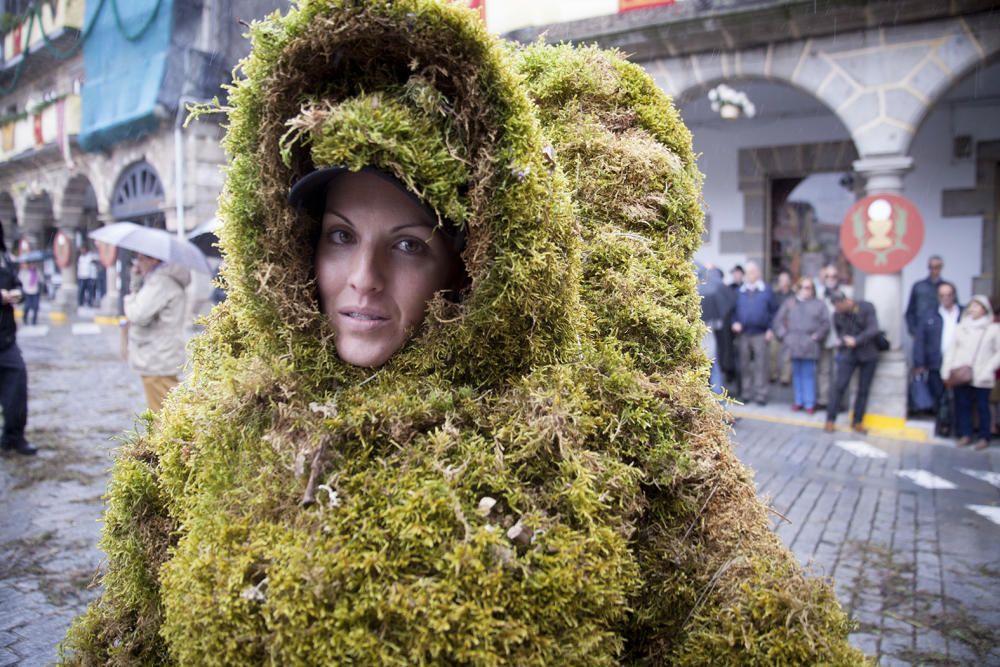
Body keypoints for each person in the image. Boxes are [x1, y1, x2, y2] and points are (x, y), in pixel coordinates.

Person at [63, 3, 863, 663]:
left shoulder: (583, 433)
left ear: (466, 264)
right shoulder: (223, 412)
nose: (362, 280)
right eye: (340, 235)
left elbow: (736, 603)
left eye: (408, 245)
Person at [123, 253, 190, 412]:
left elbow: (138, 314)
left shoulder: (160, 282)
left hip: (157, 356)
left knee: (163, 414)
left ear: (153, 260)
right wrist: (137, 281)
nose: (137, 264)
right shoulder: (160, 280)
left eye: (140, 259)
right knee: (167, 410)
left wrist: (129, 299)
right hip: (161, 353)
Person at [940, 295, 1000, 450]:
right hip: (962, 372)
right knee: (963, 404)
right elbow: (952, 350)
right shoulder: (961, 327)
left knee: (982, 406)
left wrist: (989, 368)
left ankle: (984, 436)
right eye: (971, 306)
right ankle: (965, 434)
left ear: (984, 309)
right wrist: (947, 369)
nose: (973, 309)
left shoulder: (993, 329)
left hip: (982, 374)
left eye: (977, 306)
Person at [0, 225, 35, 455]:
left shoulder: (4, 258)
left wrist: (17, 294)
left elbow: (17, 285)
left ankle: (13, 436)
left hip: (5, 338)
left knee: (17, 385)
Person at [824, 291, 880, 433]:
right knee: (839, 385)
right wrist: (843, 340)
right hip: (849, 353)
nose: (838, 310)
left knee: (863, 389)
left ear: (847, 301)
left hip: (868, 352)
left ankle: (857, 421)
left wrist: (857, 340)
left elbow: (873, 329)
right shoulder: (837, 315)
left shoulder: (866, 307)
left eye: (839, 306)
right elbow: (840, 332)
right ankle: (830, 419)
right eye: (836, 307)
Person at [773, 277, 829, 414]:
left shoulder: (819, 304)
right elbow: (778, 320)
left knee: (808, 374)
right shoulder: (790, 303)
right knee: (796, 374)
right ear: (798, 288)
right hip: (793, 343)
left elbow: (825, 323)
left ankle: (809, 403)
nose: (805, 291)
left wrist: (817, 336)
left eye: (808, 288)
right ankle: (799, 401)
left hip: (809, 344)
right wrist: (784, 336)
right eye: (803, 287)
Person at [912, 281, 961, 412]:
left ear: (954, 295)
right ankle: (940, 426)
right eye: (942, 295)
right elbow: (920, 340)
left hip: (959, 363)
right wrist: (919, 363)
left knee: (960, 400)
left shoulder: (963, 314)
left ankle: (958, 429)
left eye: (948, 294)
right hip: (936, 363)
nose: (945, 298)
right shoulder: (929, 315)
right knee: (937, 397)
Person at [731, 261, 776, 405]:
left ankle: (761, 394)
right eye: (748, 272)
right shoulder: (741, 291)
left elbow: (774, 312)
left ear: (758, 273)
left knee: (761, 365)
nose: (749, 275)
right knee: (744, 365)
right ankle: (746, 393)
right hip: (743, 333)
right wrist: (735, 322)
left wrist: (771, 329)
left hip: (761, 333)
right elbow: (733, 311)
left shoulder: (766, 290)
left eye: (752, 272)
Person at [815, 263, 853, 409]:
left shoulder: (846, 293)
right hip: (824, 338)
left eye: (834, 276)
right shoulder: (818, 293)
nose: (831, 279)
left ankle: (838, 401)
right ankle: (823, 400)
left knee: (839, 371)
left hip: (840, 338)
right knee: (823, 370)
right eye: (827, 276)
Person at [905, 255, 945, 337]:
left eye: (937, 267)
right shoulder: (919, 286)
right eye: (931, 267)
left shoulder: (947, 287)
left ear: (941, 268)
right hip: (920, 330)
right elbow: (910, 311)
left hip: (940, 332)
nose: (934, 270)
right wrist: (913, 330)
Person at [768, 269, 794, 385]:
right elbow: (770, 311)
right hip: (775, 327)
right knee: (773, 353)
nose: (783, 282)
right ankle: (773, 375)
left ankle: (785, 378)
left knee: (787, 356)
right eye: (781, 280)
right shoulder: (774, 295)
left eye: (785, 280)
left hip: (789, 328)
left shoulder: (793, 295)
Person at [17, 261, 41, 325]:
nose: (33, 265)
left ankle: (34, 321)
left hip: (35, 291)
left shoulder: (37, 271)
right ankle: (24, 317)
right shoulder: (24, 272)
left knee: (35, 307)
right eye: (31, 264)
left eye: (34, 264)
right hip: (26, 291)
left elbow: (41, 280)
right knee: (27, 306)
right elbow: (19, 280)